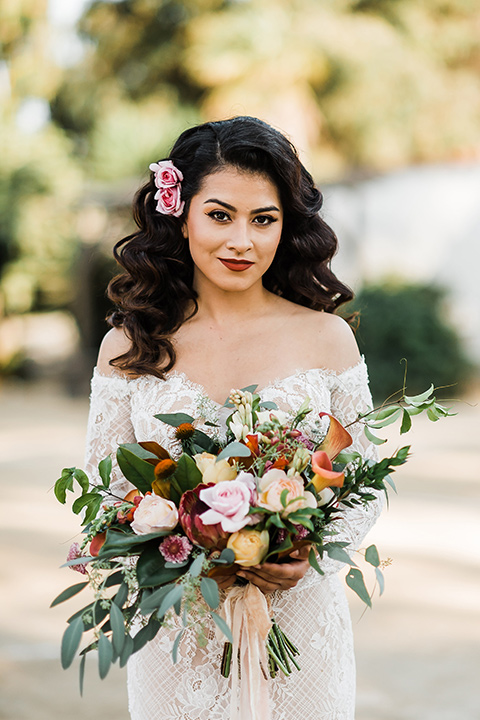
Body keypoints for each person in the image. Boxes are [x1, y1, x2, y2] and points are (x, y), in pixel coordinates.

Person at [84, 116, 383, 720]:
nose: (242, 241)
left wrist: (301, 551)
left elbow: (365, 486)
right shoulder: (129, 347)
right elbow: (104, 491)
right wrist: (181, 548)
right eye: (220, 215)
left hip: (299, 624)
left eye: (263, 219)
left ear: (285, 225)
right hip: (178, 629)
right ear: (180, 213)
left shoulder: (327, 339)